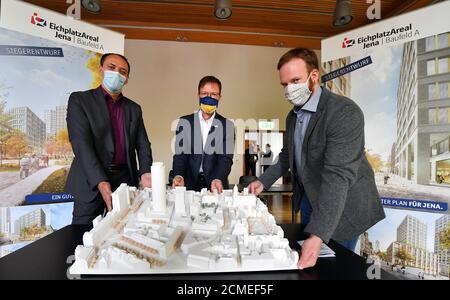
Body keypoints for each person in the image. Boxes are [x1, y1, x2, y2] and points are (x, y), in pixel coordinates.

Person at [248, 48, 385, 270]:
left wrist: (319, 233)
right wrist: (263, 181)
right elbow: (287, 156)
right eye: (284, 84)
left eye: (295, 80)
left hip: (343, 205)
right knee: (310, 262)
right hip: (310, 199)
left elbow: (338, 176)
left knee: (334, 266)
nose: (290, 89)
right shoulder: (293, 115)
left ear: (314, 76)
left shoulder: (344, 112)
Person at [65, 53, 153, 225]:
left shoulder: (134, 109)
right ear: (101, 70)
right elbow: (81, 144)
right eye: (111, 68)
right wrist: (100, 181)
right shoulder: (80, 100)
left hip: (124, 181)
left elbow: (143, 145)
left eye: (123, 71)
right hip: (91, 181)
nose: (117, 74)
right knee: (85, 236)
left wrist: (145, 172)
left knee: (124, 230)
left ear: (127, 79)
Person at [172, 76, 235, 193]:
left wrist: (218, 178)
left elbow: (225, 159)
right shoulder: (185, 122)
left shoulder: (228, 126)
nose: (208, 98)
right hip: (188, 184)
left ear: (220, 97)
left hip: (216, 184)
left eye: (214, 94)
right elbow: (180, 155)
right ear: (198, 95)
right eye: (204, 93)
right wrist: (179, 175)